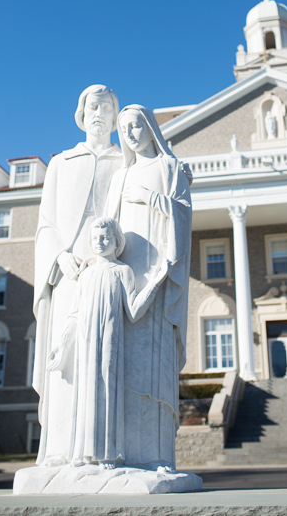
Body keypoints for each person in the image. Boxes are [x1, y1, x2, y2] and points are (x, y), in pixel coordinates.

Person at [34, 85, 121, 467]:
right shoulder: (62, 163)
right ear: (81, 114)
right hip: (68, 272)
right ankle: (58, 449)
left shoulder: (126, 161)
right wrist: (60, 255)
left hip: (109, 271)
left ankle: (102, 448)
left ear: (116, 116)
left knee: (103, 357)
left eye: (106, 106)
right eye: (92, 106)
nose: (99, 112)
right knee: (65, 359)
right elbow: (46, 223)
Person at [108, 104, 192, 470]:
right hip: (127, 277)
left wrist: (154, 200)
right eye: (123, 128)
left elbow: (184, 216)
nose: (129, 133)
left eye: (136, 125)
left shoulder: (170, 169)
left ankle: (158, 454)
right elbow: (107, 227)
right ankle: (123, 451)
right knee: (124, 365)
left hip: (158, 275)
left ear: (150, 128)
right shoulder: (121, 177)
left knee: (155, 365)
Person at [47, 217, 164, 469]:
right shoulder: (86, 274)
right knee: (85, 394)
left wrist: (154, 284)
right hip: (86, 344)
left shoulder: (123, 272)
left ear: (117, 241)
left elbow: (133, 311)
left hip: (111, 342)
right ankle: (80, 454)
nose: (99, 243)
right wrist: (63, 342)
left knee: (107, 393)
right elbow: (76, 313)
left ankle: (107, 454)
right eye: (95, 239)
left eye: (106, 238)